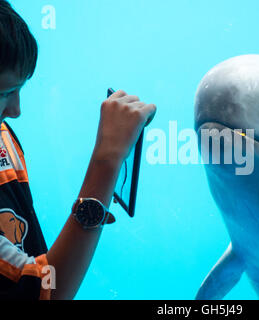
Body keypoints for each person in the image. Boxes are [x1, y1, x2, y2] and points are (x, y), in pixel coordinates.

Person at [0, 0, 156, 300]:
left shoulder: (3, 135)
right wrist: (106, 161)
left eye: (19, 90)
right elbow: (46, 291)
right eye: (5, 92)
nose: (16, 110)